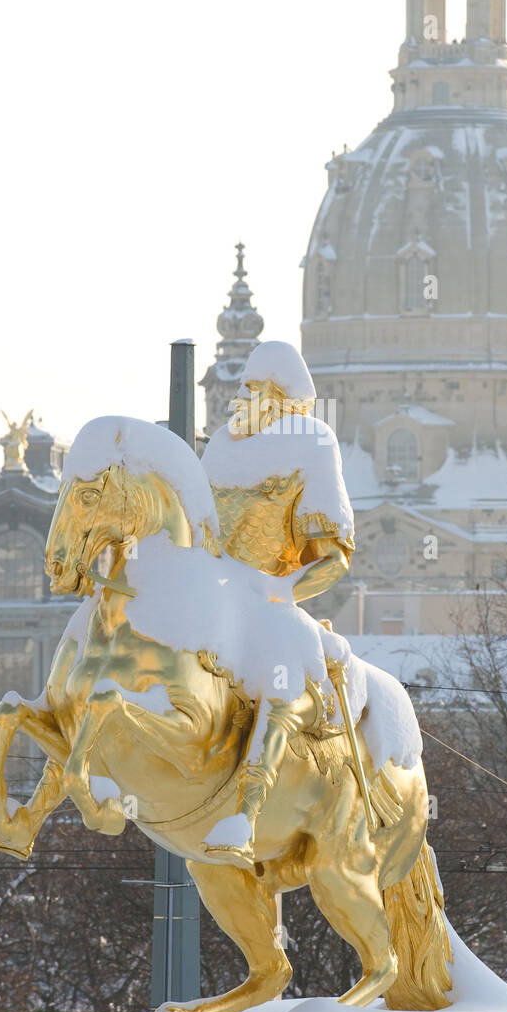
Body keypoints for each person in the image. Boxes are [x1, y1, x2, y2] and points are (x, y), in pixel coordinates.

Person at [200, 341, 354, 868]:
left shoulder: (312, 444)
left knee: (280, 680)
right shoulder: (220, 445)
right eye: (241, 384)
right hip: (213, 596)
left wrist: (284, 592)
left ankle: (247, 813)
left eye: (253, 387)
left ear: (280, 397)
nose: (240, 395)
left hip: (269, 605)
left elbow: (333, 559)